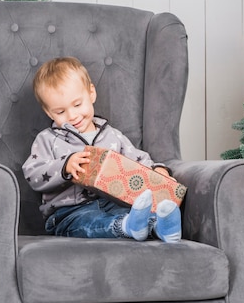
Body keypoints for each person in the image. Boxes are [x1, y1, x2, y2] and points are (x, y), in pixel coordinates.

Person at [22, 56, 182, 242]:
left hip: (112, 203)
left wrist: (157, 170)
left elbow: (137, 160)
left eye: (77, 104)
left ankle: (163, 227)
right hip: (69, 212)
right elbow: (32, 172)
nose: (72, 116)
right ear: (49, 112)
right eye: (60, 112)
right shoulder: (48, 139)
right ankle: (126, 227)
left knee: (136, 209)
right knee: (88, 221)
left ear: (91, 94)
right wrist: (65, 166)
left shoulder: (112, 136)